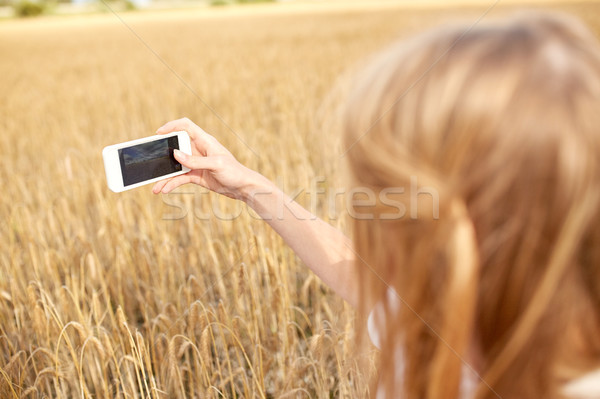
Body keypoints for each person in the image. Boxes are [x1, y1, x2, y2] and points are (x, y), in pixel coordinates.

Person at [152, 11, 600, 399]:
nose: (362, 211)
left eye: (389, 193)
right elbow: (354, 271)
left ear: (467, 225)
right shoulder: (437, 308)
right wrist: (249, 186)